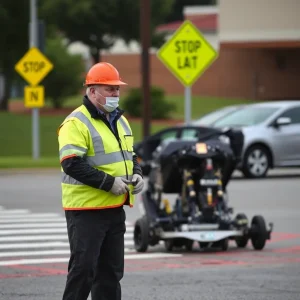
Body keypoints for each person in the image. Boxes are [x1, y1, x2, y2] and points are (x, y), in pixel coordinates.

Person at [57, 62, 144, 300]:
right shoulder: (76, 122)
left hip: (114, 208)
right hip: (86, 210)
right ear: (92, 90)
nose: (115, 94)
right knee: (83, 271)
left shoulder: (120, 120)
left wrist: (137, 173)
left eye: (117, 89)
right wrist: (109, 183)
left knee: (110, 273)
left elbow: (130, 155)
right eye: (109, 89)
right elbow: (71, 162)